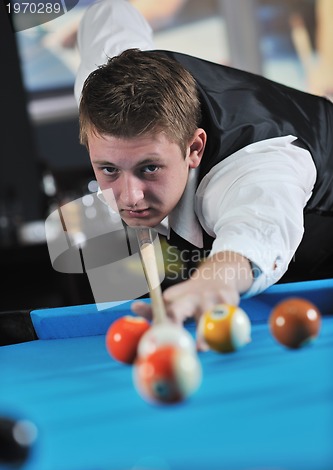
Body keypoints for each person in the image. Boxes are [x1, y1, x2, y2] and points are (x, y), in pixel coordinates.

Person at [74, 0, 333, 326]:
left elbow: (251, 240)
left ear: (194, 148)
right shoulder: (102, 89)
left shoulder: (254, 169)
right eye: (109, 169)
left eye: (149, 168)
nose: (129, 197)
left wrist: (208, 283)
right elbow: (109, 13)